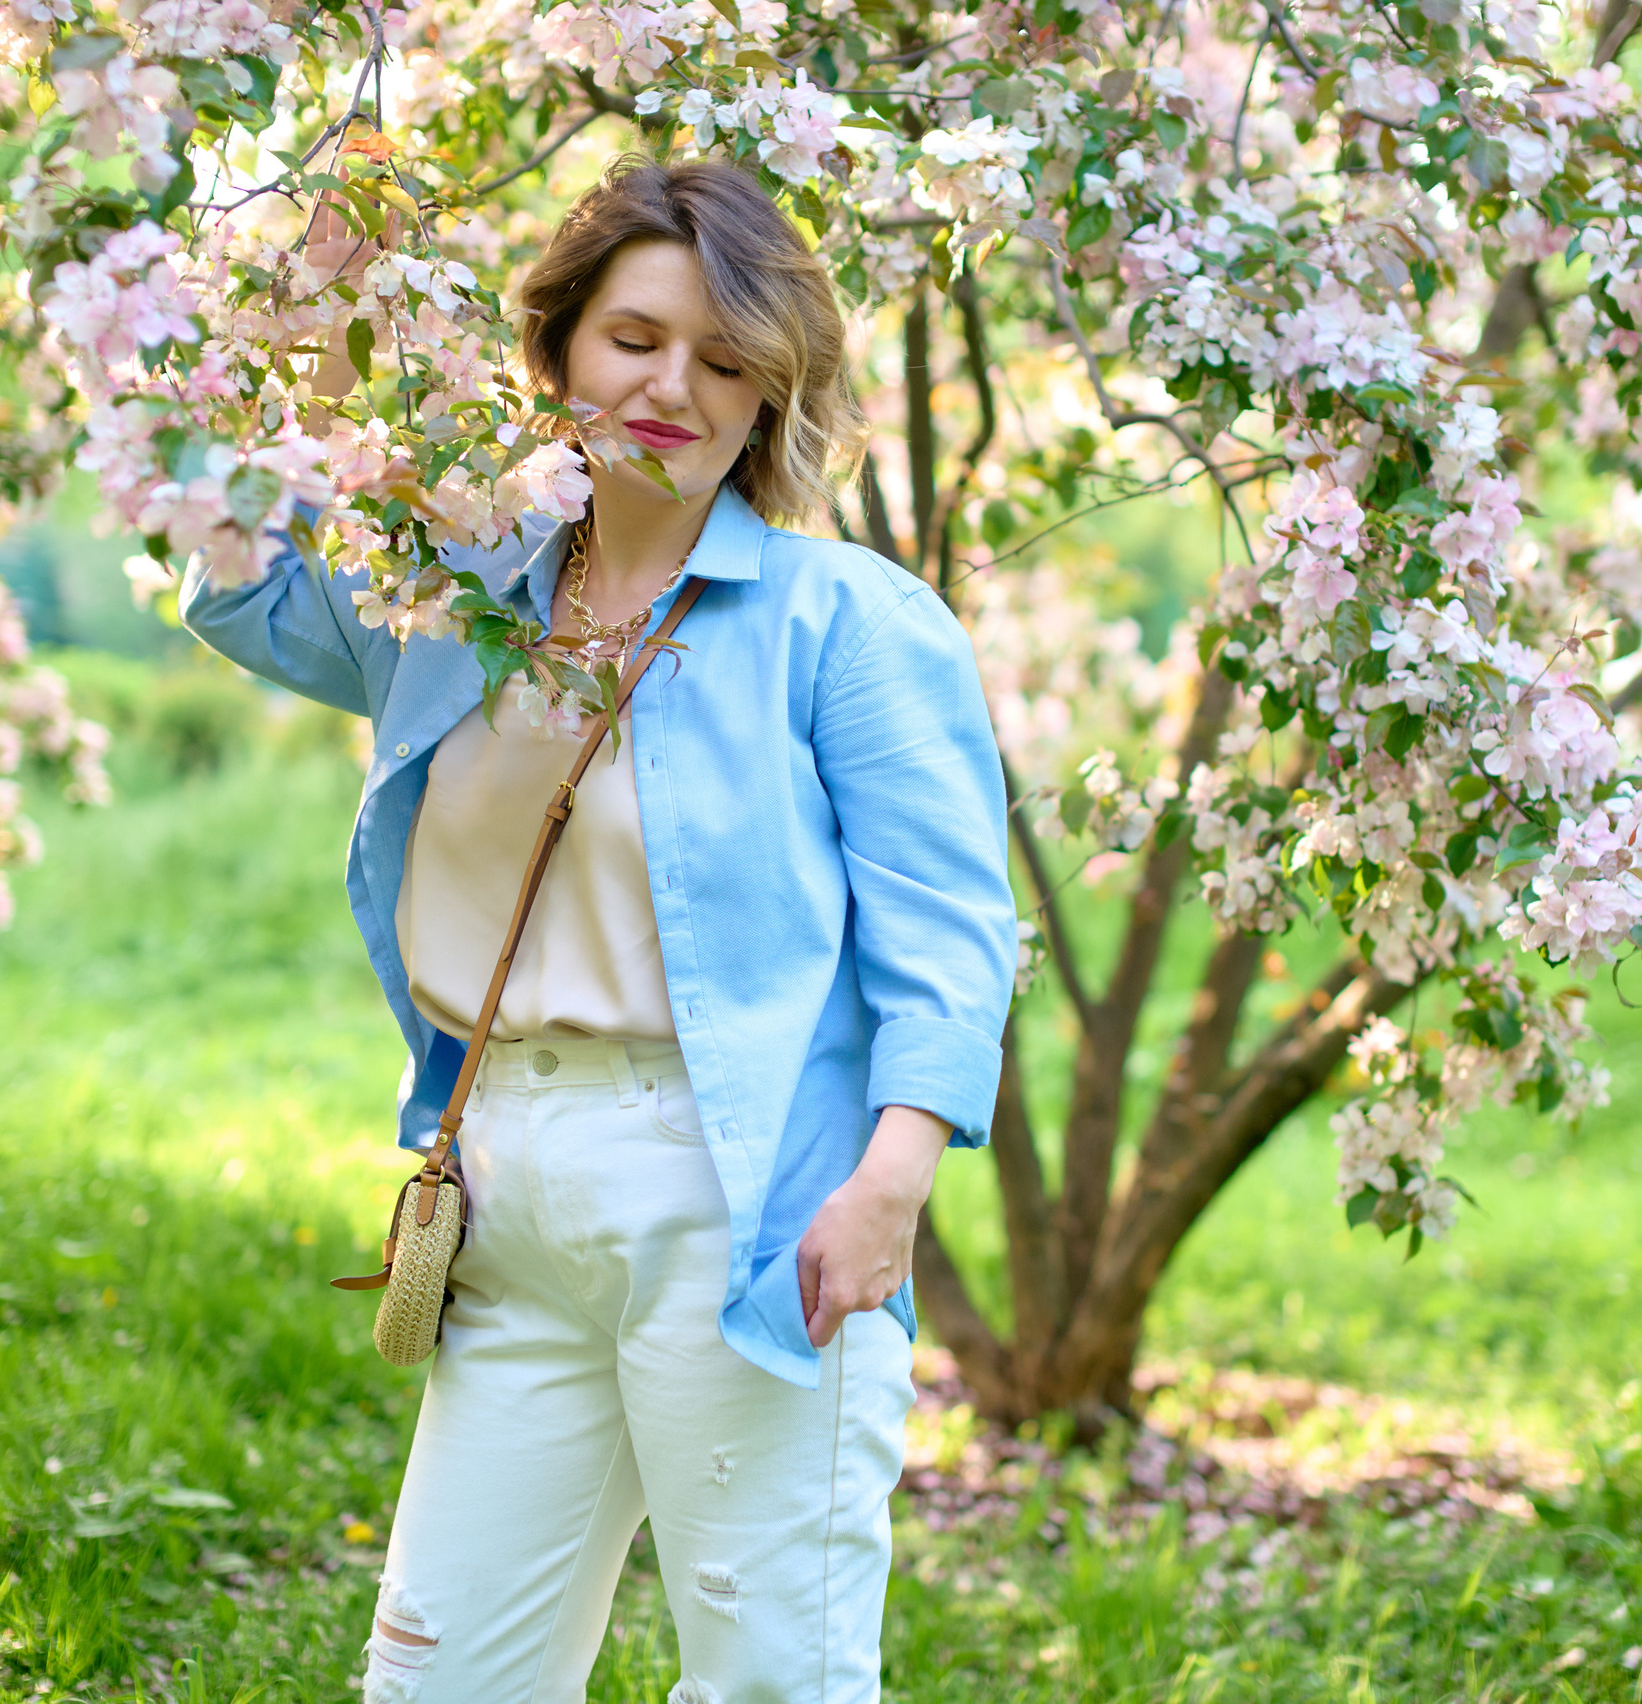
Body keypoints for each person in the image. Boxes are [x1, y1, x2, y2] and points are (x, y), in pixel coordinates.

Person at [180, 155, 1017, 1704]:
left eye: (725, 363)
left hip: (744, 1192)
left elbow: (954, 939)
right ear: (559, 345)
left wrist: (891, 1183)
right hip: (503, 1176)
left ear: (770, 400)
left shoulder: (848, 624)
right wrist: (295, 328)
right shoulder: (451, 593)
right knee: (443, 1678)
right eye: (635, 339)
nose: (672, 391)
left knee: (773, 1678)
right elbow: (241, 593)